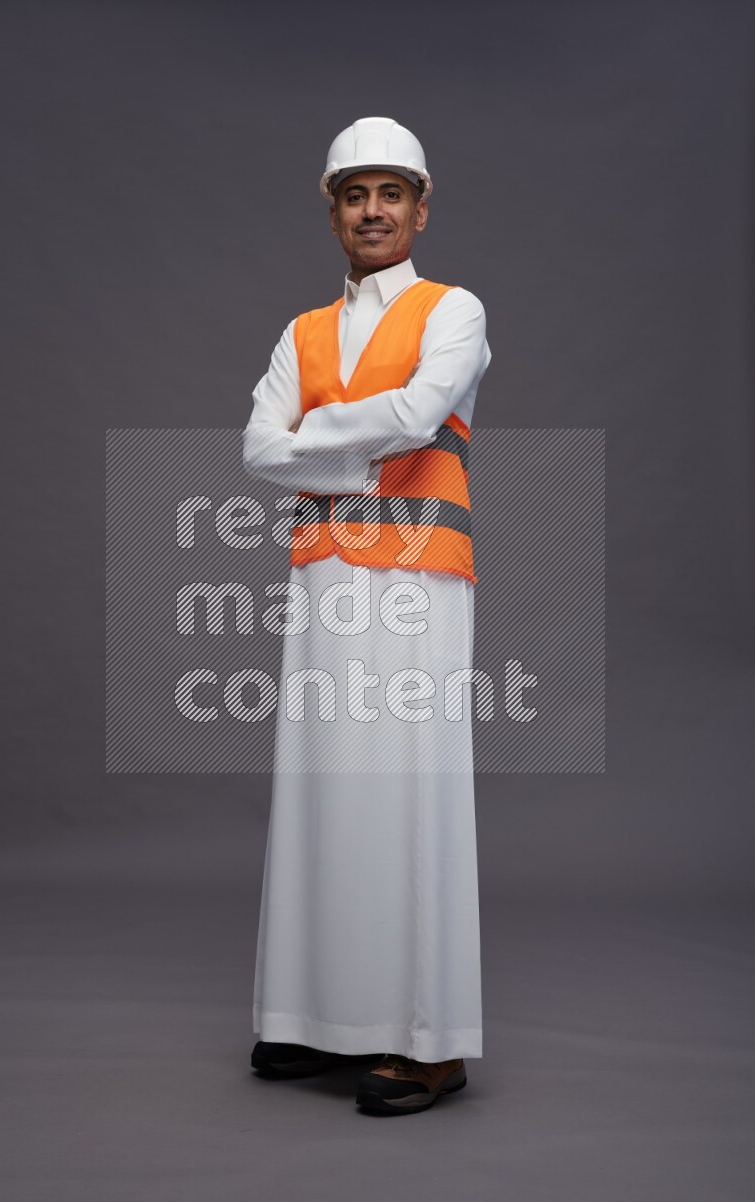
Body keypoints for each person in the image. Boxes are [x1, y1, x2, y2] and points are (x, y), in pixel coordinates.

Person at [242, 116, 491, 1115]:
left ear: (419, 207)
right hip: (320, 579)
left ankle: (430, 1041)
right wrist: (343, 439)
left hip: (419, 575)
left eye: (390, 192)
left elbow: (421, 413)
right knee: (320, 787)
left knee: (409, 785)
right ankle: (318, 1016)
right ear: (333, 211)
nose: (373, 209)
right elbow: (257, 451)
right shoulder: (298, 332)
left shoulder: (452, 309)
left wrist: (318, 440)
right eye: (354, 194)